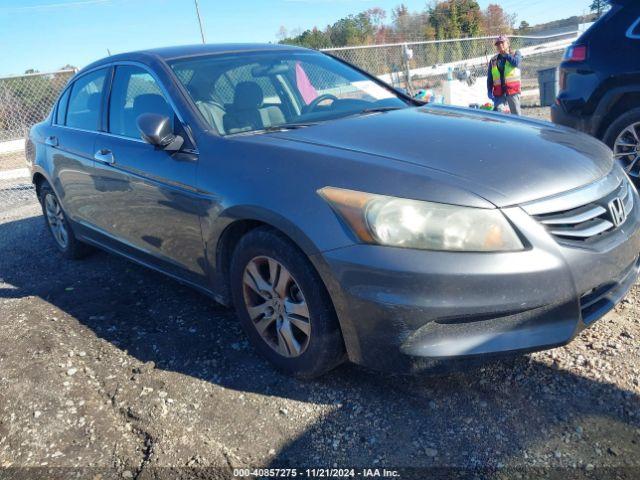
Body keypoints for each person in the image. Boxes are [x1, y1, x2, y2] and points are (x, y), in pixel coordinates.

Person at [487, 35, 522, 116]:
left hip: (512, 90)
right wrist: (489, 90)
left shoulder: (516, 54)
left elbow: (516, 63)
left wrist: (506, 55)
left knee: (516, 115)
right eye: (498, 44)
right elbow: (490, 77)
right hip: (499, 92)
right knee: (498, 115)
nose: (500, 45)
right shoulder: (493, 60)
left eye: (502, 42)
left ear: (508, 43)